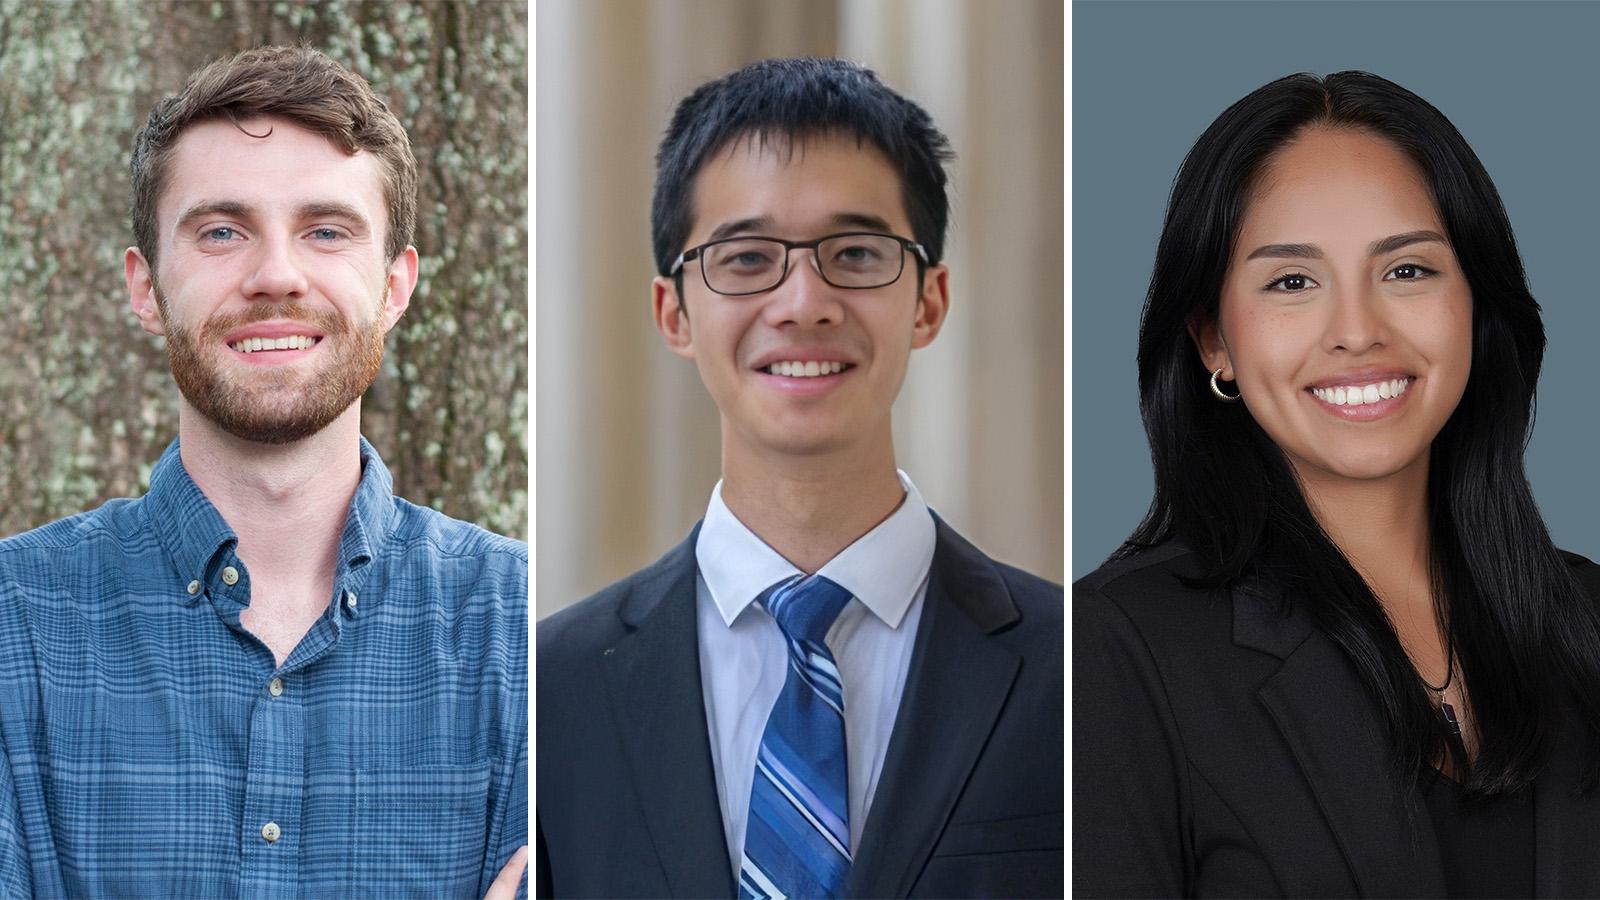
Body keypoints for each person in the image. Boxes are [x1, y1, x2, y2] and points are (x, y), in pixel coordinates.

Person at [0, 47, 527, 898]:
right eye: (221, 231)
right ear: (146, 287)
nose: (276, 275)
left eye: (325, 230)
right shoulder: (13, 624)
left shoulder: (520, 632)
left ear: (395, 286)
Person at [536, 57, 1062, 898]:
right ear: (674, 312)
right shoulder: (552, 691)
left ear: (928, 301)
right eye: (746, 259)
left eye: (855, 252)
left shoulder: (1081, 671)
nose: (804, 301)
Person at [1073, 71, 1600, 898]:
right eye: (1292, 282)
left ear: (1475, 303)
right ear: (1214, 340)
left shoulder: (1587, 618)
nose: (1357, 331)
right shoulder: (1114, 650)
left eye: (1409, 271)